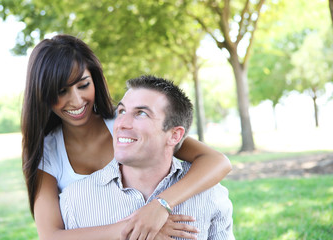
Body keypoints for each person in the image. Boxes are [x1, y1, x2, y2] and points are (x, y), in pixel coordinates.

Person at [21, 34, 232, 240]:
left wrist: (160, 206)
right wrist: (137, 228)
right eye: (61, 91)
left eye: (83, 85)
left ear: (94, 79)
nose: (76, 100)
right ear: (42, 94)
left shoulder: (125, 124)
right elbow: (50, 235)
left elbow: (217, 162)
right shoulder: (46, 151)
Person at [60, 75, 235, 239]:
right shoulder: (76, 199)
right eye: (121, 111)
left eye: (141, 113)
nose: (121, 123)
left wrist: (162, 205)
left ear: (175, 135)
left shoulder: (210, 194)